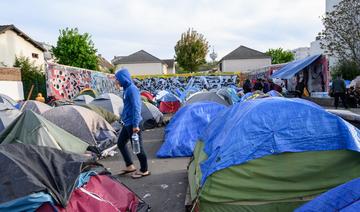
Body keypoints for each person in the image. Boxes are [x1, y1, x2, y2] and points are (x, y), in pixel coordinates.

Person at [115, 69, 150, 179]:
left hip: (133, 123)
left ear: (123, 78)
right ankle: (130, 165)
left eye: (117, 79)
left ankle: (144, 170)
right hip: (127, 122)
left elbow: (136, 107)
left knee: (138, 147)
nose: (116, 81)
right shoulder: (126, 89)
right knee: (120, 143)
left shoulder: (132, 89)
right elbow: (128, 107)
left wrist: (135, 125)